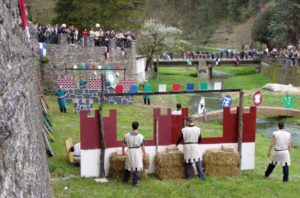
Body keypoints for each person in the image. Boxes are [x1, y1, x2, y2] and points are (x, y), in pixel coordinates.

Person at [122, 121, 146, 186]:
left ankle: (125, 180)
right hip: (137, 152)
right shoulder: (140, 136)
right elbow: (142, 146)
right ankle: (135, 183)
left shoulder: (127, 135)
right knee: (136, 167)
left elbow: (124, 145)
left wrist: (122, 151)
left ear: (132, 126)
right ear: (138, 127)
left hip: (130, 151)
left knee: (128, 166)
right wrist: (144, 153)